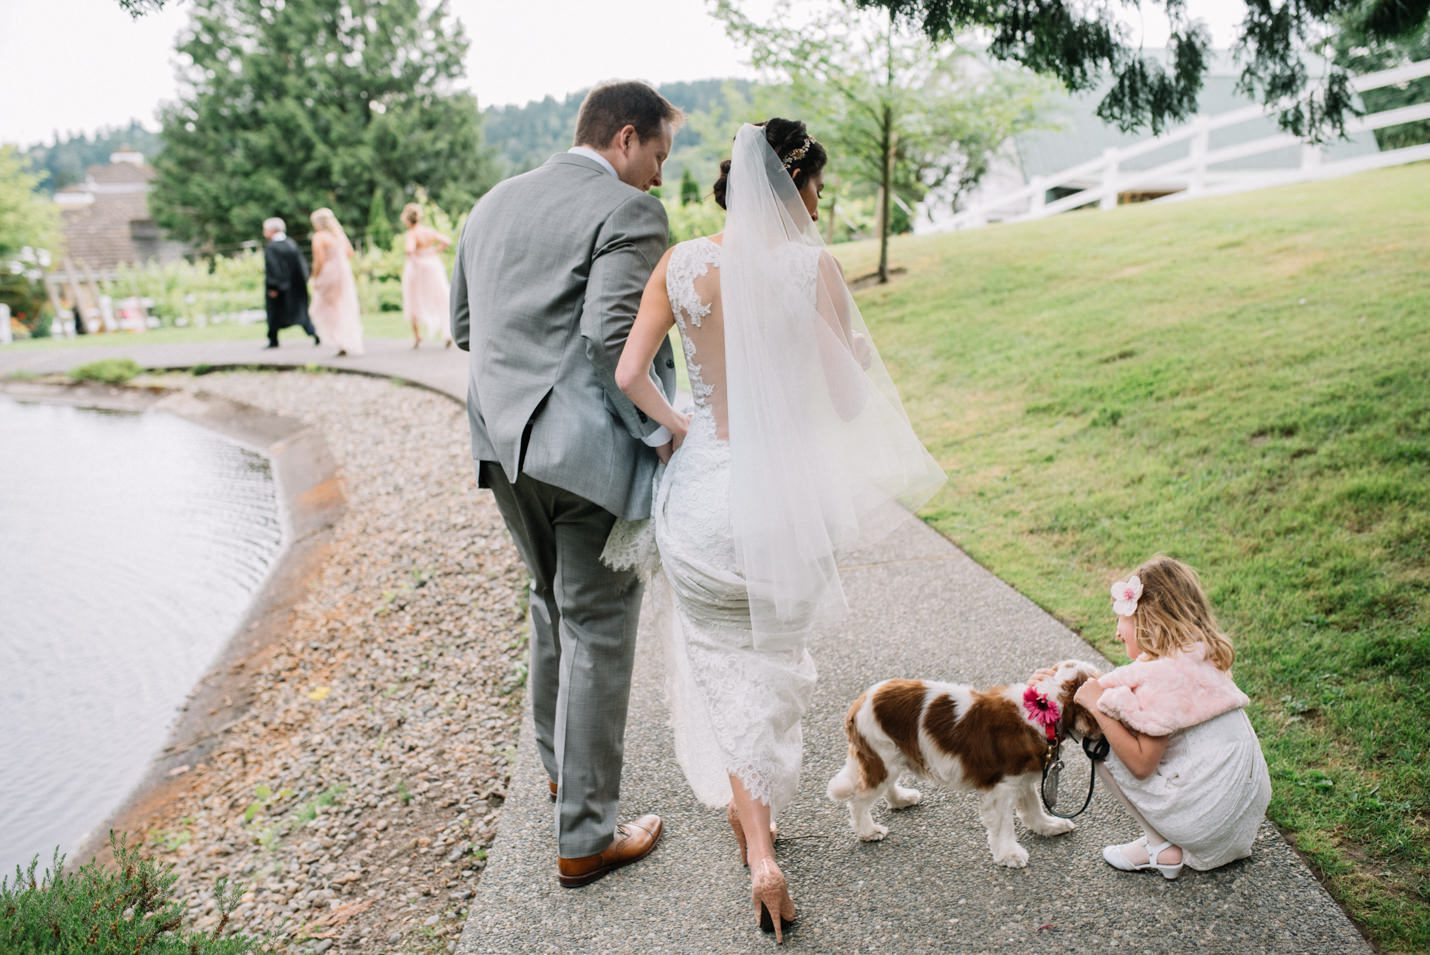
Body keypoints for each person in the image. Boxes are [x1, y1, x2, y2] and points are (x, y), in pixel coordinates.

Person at [612, 120, 945, 942]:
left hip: (703, 500)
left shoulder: (682, 263)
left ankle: (758, 847)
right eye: (817, 190)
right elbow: (848, 403)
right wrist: (847, 355)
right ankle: (760, 832)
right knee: (769, 668)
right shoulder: (811, 267)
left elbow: (628, 373)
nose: (819, 208)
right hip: (785, 508)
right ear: (790, 187)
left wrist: (680, 425)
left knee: (725, 669)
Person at [450, 80, 682, 889]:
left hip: (501, 445)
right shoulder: (631, 211)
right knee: (598, 624)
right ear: (625, 138)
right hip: (581, 452)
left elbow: (465, 328)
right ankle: (585, 836)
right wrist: (665, 430)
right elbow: (614, 339)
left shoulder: (489, 204)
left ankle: (561, 778)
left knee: (551, 605)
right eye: (658, 155)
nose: (659, 175)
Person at [1072, 556, 1271, 879]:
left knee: (1100, 742)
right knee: (1128, 724)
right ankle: (1169, 838)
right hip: (1239, 823)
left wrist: (1095, 707)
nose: (1117, 631)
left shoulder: (1160, 677)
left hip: (1206, 824)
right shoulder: (1201, 655)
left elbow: (1141, 765)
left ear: (1146, 618)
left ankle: (1160, 847)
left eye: (1121, 618)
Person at [308, 207, 364, 357]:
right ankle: (343, 340)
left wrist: (314, 277)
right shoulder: (339, 235)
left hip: (328, 272)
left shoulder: (319, 237)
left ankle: (338, 339)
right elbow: (350, 253)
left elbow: (319, 260)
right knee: (341, 306)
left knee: (322, 308)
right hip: (343, 272)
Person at [401, 203, 454, 348]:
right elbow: (447, 241)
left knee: (413, 299)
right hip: (433, 265)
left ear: (407, 219)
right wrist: (433, 251)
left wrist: (417, 261)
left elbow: (409, 251)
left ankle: (417, 336)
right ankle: (447, 333)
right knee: (440, 298)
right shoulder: (428, 231)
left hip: (418, 268)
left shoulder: (412, 233)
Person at [262, 217, 318, 349]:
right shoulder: (291, 244)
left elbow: (273, 268)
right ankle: (313, 332)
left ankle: (273, 340)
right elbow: (302, 266)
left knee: (275, 314)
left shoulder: (271, 247)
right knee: (300, 313)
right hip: (296, 288)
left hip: (278, 289)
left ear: (272, 230)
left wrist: (273, 287)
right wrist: (304, 280)